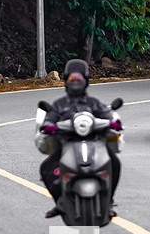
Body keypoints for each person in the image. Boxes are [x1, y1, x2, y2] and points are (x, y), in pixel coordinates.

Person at [38, 59, 121, 218]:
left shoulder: (94, 103)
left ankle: (108, 200)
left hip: (95, 144)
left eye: (79, 79)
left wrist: (114, 123)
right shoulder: (59, 105)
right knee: (46, 167)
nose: (75, 83)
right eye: (72, 79)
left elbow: (107, 115)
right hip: (66, 145)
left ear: (86, 80)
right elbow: (50, 118)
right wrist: (49, 126)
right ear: (66, 81)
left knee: (115, 163)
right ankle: (60, 201)